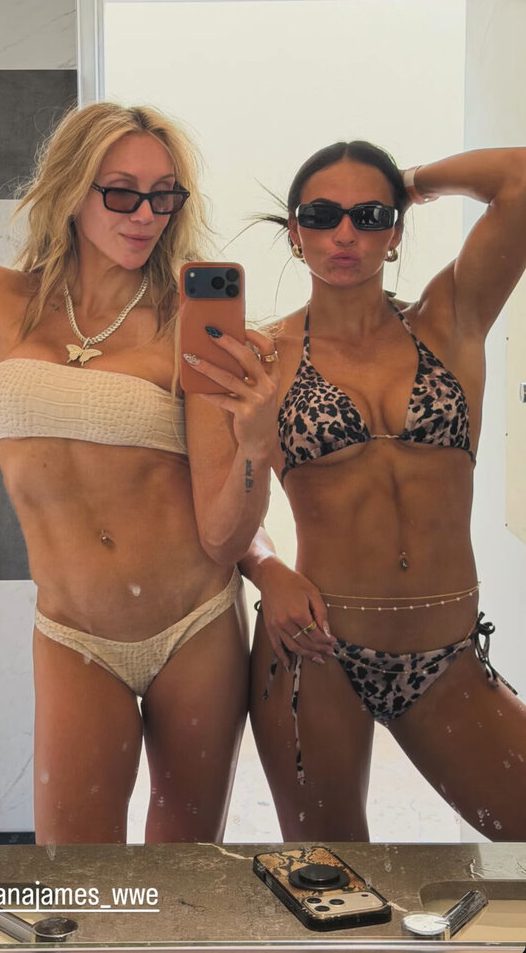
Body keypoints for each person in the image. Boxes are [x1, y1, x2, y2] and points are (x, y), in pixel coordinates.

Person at [0, 101, 279, 844]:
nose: (145, 215)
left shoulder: (190, 327)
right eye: (120, 192)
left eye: (163, 196)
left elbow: (221, 534)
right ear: (71, 191)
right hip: (73, 634)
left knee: (181, 875)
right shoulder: (1, 300)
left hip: (194, 627)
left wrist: (255, 448)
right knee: (73, 878)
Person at [239, 142, 526, 841]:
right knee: (333, 881)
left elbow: (519, 179)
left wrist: (411, 182)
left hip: (446, 652)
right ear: (295, 230)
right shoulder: (260, 356)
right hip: (315, 652)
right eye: (322, 215)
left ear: (395, 234)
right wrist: (267, 568)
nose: (345, 234)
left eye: (369, 216)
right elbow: (217, 497)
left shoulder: (450, 320)